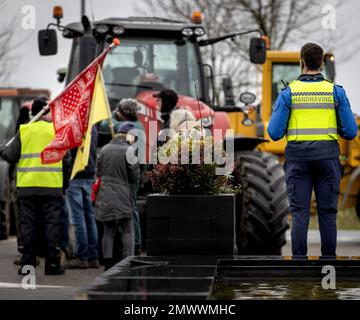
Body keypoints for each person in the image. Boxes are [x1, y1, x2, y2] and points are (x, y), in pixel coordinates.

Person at [268, 43, 358, 257]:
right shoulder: (335, 92)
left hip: (298, 160)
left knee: (299, 212)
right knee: (328, 212)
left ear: (302, 63)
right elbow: (350, 131)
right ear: (321, 64)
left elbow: (274, 132)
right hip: (327, 159)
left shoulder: (288, 93)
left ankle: (300, 263)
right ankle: (329, 262)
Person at [0, 99, 69, 275]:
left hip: (28, 187)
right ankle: (53, 265)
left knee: (28, 227)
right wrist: (64, 185)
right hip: (52, 187)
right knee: (52, 226)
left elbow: (10, 155)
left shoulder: (24, 131)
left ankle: (28, 265)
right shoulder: (56, 131)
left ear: (33, 113)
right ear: (46, 113)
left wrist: (2, 148)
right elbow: (66, 159)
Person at [95, 122, 140, 271]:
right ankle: (128, 260)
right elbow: (134, 176)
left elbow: (98, 172)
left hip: (104, 194)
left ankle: (107, 263)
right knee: (128, 229)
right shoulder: (129, 151)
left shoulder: (104, 149)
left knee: (108, 230)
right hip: (122, 194)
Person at [65, 126, 99, 269]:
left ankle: (82, 256)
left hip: (76, 174)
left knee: (78, 218)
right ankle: (93, 257)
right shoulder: (93, 126)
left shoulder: (75, 125)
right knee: (90, 217)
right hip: (89, 173)